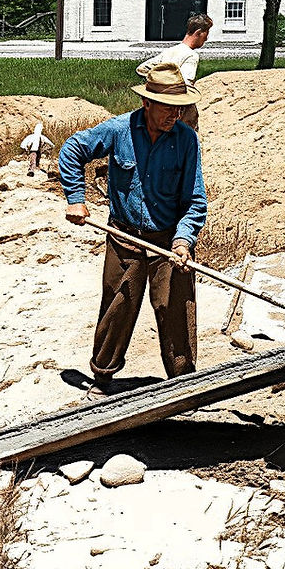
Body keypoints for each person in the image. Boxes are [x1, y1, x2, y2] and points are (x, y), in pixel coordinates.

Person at [59, 63, 207, 386]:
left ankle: (183, 385)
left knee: (176, 311)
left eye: (180, 108)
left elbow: (195, 201)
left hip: (168, 243)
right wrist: (75, 197)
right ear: (147, 103)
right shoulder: (119, 130)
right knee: (117, 305)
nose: (175, 116)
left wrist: (183, 241)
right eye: (169, 108)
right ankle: (102, 378)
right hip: (123, 237)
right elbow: (73, 149)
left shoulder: (186, 141)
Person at [136, 13, 213, 130]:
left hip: (159, 103)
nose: (206, 39)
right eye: (206, 34)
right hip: (178, 106)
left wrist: (159, 80)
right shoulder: (191, 55)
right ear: (198, 33)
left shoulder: (170, 51)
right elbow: (187, 83)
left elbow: (142, 68)